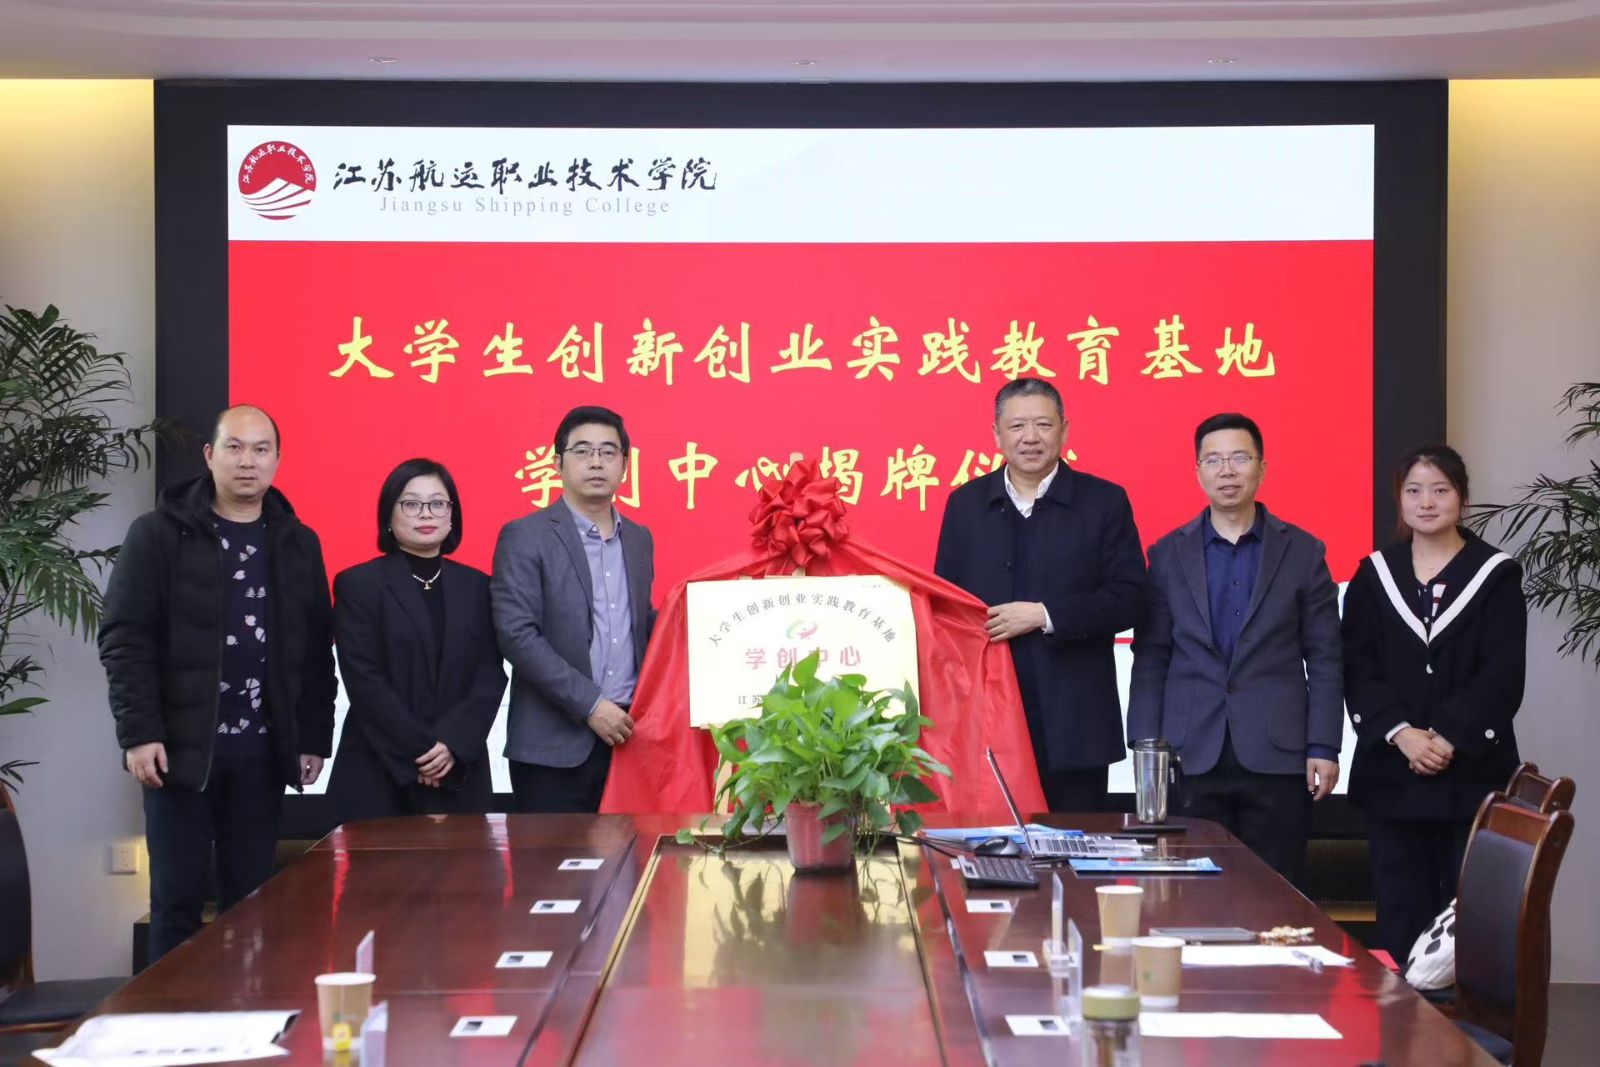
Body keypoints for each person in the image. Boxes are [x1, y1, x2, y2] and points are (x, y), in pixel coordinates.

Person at [98, 405, 336, 961]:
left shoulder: (298, 542)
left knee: (252, 907)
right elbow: (125, 639)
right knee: (177, 904)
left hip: (261, 755)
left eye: (260, 449)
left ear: (277, 460)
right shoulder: (157, 534)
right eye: (234, 447)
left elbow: (315, 651)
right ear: (210, 455)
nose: (247, 461)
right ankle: (170, 1019)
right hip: (179, 754)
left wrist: (312, 737)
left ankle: (243, 1016)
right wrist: (139, 733)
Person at [1128, 413, 1343, 884]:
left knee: (1276, 890)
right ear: (1198, 472)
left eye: (1240, 458)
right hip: (1190, 754)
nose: (1227, 471)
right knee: (1191, 893)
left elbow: (1325, 656)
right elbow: (1152, 655)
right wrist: (1145, 750)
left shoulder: (1303, 551)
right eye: (1214, 460)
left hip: (1277, 755)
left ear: (1262, 468)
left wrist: (1324, 745)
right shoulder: (1167, 554)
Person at [1343, 444, 1526, 960]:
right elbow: (1357, 666)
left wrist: (1447, 738)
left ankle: (1461, 1014)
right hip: (1392, 774)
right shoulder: (1374, 574)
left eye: (1440, 490)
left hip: (1471, 773)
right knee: (1400, 909)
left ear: (1461, 497)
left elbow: (1501, 674)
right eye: (1414, 490)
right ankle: (1404, 1011)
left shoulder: (1496, 574)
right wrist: (1401, 733)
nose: (1426, 502)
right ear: (1399, 499)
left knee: (1468, 917)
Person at [934, 378, 1146, 812]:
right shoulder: (966, 505)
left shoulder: (1103, 501)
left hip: (1075, 724)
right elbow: (945, 607)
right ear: (997, 434)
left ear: (1064, 431)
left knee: (1074, 843)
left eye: (1043, 425)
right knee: (994, 845)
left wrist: (1045, 615)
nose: (1030, 437)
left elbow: (1130, 598)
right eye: (1017, 426)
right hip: (988, 720)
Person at [491, 406, 656, 813]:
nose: (596, 462)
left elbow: (642, 627)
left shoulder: (639, 539)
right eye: (582, 451)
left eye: (608, 452)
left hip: (628, 739)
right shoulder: (525, 535)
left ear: (625, 464)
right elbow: (517, 635)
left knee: (633, 853)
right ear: (557, 462)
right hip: (552, 751)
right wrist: (591, 705)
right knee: (553, 858)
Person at [327, 459, 507, 822]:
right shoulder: (358, 584)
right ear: (388, 515)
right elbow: (364, 679)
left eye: (438, 503)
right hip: (377, 769)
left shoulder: (479, 586)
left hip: (459, 769)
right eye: (411, 503)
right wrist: (424, 750)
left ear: (452, 515)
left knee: (464, 861)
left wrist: (452, 744)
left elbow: (490, 674)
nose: (426, 513)